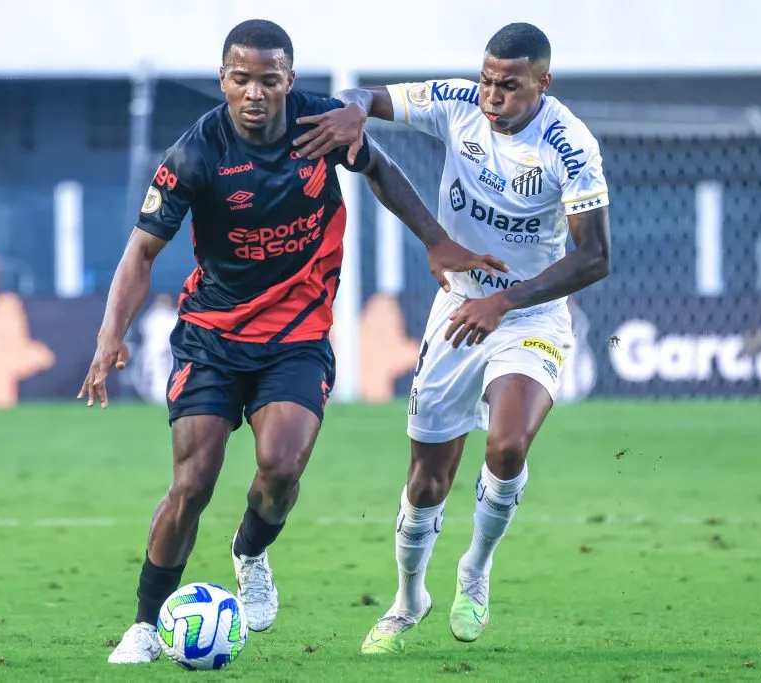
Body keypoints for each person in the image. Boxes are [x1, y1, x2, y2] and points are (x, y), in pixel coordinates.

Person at [77, 19, 507, 665]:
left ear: (289, 81)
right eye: (241, 78)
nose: (254, 92)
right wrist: (109, 336)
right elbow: (140, 253)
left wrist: (436, 241)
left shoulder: (322, 125)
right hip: (211, 339)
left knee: (280, 469)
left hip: (297, 336)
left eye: (268, 79)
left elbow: (382, 170)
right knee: (193, 483)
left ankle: (249, 552)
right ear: (223, 78)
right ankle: (143, 623)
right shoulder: (195, 154)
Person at [292, 22, 612, 653]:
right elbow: (365, 94)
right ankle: (409, 600)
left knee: (509, 443)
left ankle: (476, 568)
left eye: (510, 85)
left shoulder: (570, 145)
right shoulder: (458, 104)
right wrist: (354, 111)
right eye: (488, 80)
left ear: (541, 83)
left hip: (529, 313)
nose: (492, 96)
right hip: (460, 309)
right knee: (426, 480)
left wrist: (507, 300)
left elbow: (595, 256)